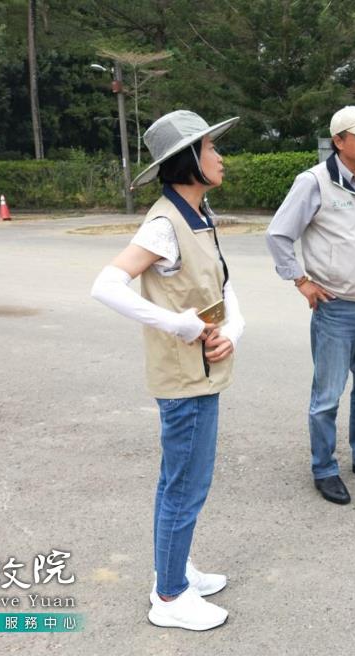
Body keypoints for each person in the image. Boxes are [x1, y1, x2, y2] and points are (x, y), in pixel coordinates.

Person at [90, 110, 244, 631]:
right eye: (209, 149)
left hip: (204, 369)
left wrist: (232, 332)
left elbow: (223, 292)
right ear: (188, 162)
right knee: (183, 484)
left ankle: (176, 569)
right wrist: (177, 325)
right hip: (183, 378)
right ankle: (170, 595)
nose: (219, 157)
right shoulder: (163, 223)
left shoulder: (202, 214)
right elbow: (107, 285)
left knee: (184, 480)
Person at [265, 106, 355, 506]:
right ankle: (324, 468)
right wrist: (301, 281)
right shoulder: (314, 182)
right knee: (327, 395)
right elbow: (278, 234)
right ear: (339, 141)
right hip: (335, 307)